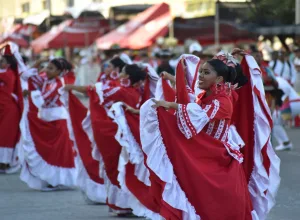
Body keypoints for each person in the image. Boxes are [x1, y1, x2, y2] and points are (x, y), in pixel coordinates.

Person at [139, 50, 280, 219]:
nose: (200, 76)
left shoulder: (223, 100)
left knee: (212, 205)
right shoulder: (212, 96)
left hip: (217, 158)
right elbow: (192, 99)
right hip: (206, 153)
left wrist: (169, 104)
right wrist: (174, 80)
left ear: (220, 79)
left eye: (206, 73)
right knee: (196, 196)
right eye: (200, 72)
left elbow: (198, 112)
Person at [65, 63, 157, 217]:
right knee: (125, 168)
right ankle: (128, 203)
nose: (119, 73)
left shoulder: (120, 90)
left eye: (122, 71)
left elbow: (93, 90)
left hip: (115, 135)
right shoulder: (137, 90)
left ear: (127, 76)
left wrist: (71, 88)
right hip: (128, 135)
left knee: (115, 167)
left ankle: (123, 204)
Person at [20, 58, 77, 191]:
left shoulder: (57, 83)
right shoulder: (47, 79)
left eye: (51, 68)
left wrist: (30, 93)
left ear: (59, 71)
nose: (46, 70)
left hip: (57, 120)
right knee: (52, 151)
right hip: (49, 118)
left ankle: (57, 180)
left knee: (57, 152)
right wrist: (38, 62)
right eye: (47, 67)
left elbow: (44, 98)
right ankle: (54, 179)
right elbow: (26, 76)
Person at [0, 44, 23, 173]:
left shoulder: (8, 75)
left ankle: (4, 163)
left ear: (8, 64)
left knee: (5, 137)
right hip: (4, 109)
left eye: (2, 61)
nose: (0, 62)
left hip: (8, 110)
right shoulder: (6, 73)